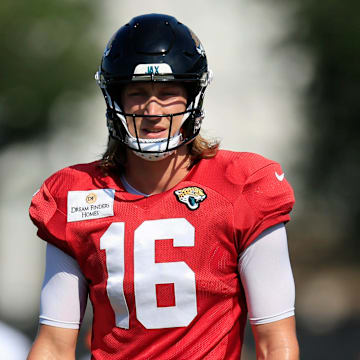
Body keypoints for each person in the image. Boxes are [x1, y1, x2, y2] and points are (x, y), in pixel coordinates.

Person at [27, 13, 299, 360]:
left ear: (191, 98)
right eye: (137, 93)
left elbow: (275, 340)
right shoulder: (74, 194)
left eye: (168, 93)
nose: (152, 109)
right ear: (116, 101)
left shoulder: (243, 184)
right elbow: (54, 343)